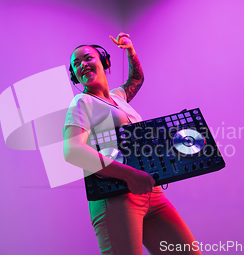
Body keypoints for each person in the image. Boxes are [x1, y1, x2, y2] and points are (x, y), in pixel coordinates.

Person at [63, 33, 202, 255]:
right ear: (75, 77)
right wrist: (130, 175)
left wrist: (130, 51)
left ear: (104, 62)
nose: (82, 65)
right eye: (76, 64)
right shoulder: (82, 102)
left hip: (152, 193)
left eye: (87, 58)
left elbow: (136, 80)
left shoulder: (118, 97)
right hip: (116, 198)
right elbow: (72, 150)